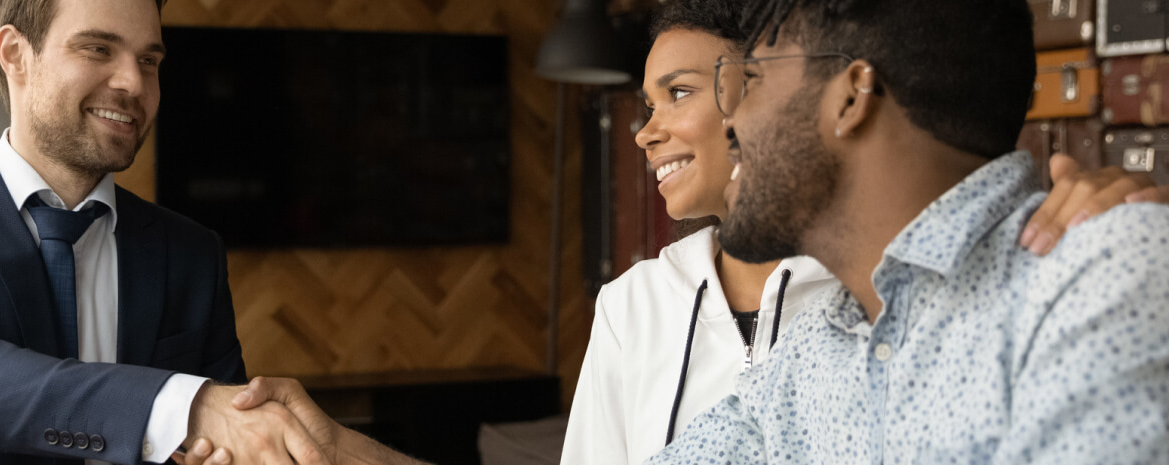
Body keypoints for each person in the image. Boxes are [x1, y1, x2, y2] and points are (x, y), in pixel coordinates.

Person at [177, 0, 1169, 463]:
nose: (730, 120)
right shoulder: (818, 362)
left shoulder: (1101, 271)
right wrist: (331, 453)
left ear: (850, 95)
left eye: (752, 81)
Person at [0, 0, 324, 464]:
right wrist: (186, 406)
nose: (134, 82)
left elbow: (224, 439)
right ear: (15, 54)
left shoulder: (193, 252)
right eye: (98, 49)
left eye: (149, 60)